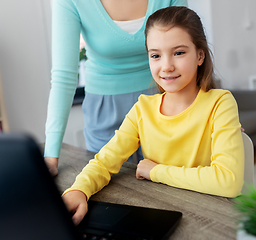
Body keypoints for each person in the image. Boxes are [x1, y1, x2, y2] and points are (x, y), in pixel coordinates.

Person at [61, 6, 245, 225]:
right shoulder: (143, 109)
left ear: (200, 55)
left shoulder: (220, 103)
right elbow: (104, 162)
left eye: (179, 52)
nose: (166, 66)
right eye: (155, 55)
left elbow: (228, 182)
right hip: (159, 213)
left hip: (208, 217)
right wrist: (79, 190)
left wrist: (156, 171)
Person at [44, 0, 188, 176]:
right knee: (107, 186)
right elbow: (63, 77)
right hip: (105, 108)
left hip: (164, 100)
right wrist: (51, 155)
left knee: (169, 184)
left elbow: (187, 52)